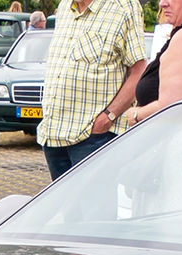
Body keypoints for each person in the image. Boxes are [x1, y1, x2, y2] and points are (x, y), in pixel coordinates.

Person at [38, 0, 145, 180]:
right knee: (64, 208)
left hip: (93, 137)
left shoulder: (124, 7)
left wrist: (108, 117)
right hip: (53, 134)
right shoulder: (65, 6)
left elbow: (139, 71)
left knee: (95, 207)